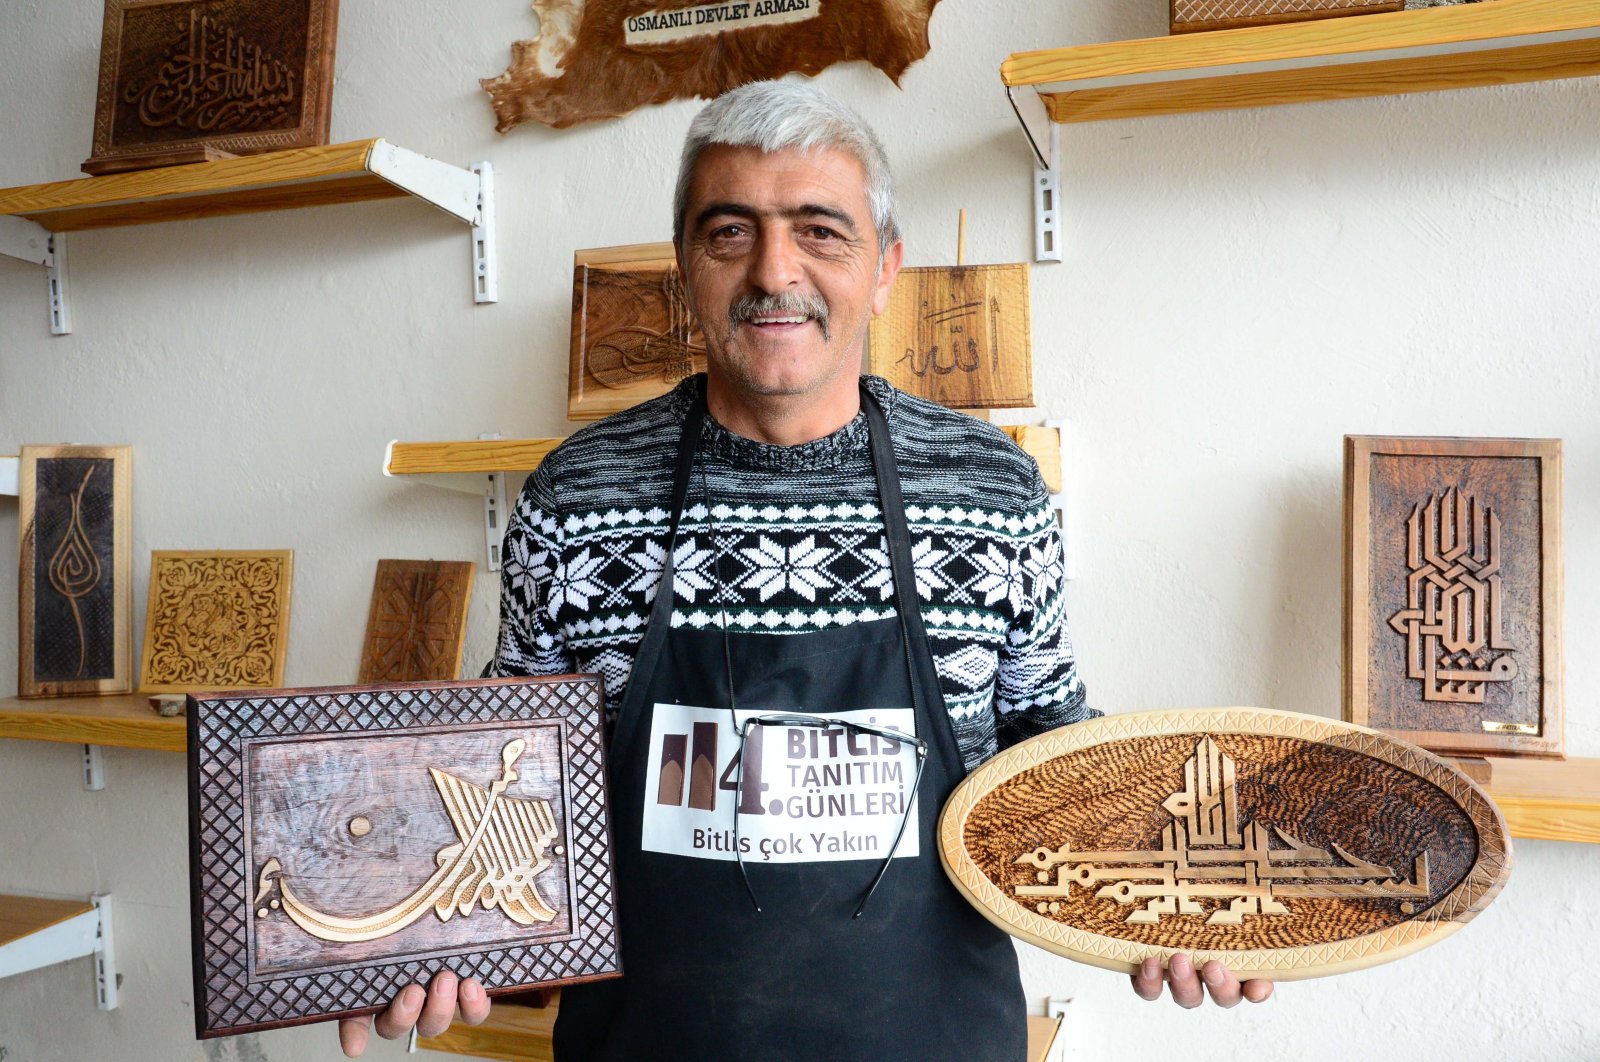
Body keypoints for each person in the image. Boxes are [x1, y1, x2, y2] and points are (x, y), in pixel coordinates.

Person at [338, 79, 1271, 1060]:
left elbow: (1046, 749)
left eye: (819, 230)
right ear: (684, 267)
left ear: (883, 271)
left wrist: (1177, 904)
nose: (772, 270)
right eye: (729, 232)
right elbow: (511, 781)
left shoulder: (991, 493)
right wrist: (402, 936)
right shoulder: (577, 497)